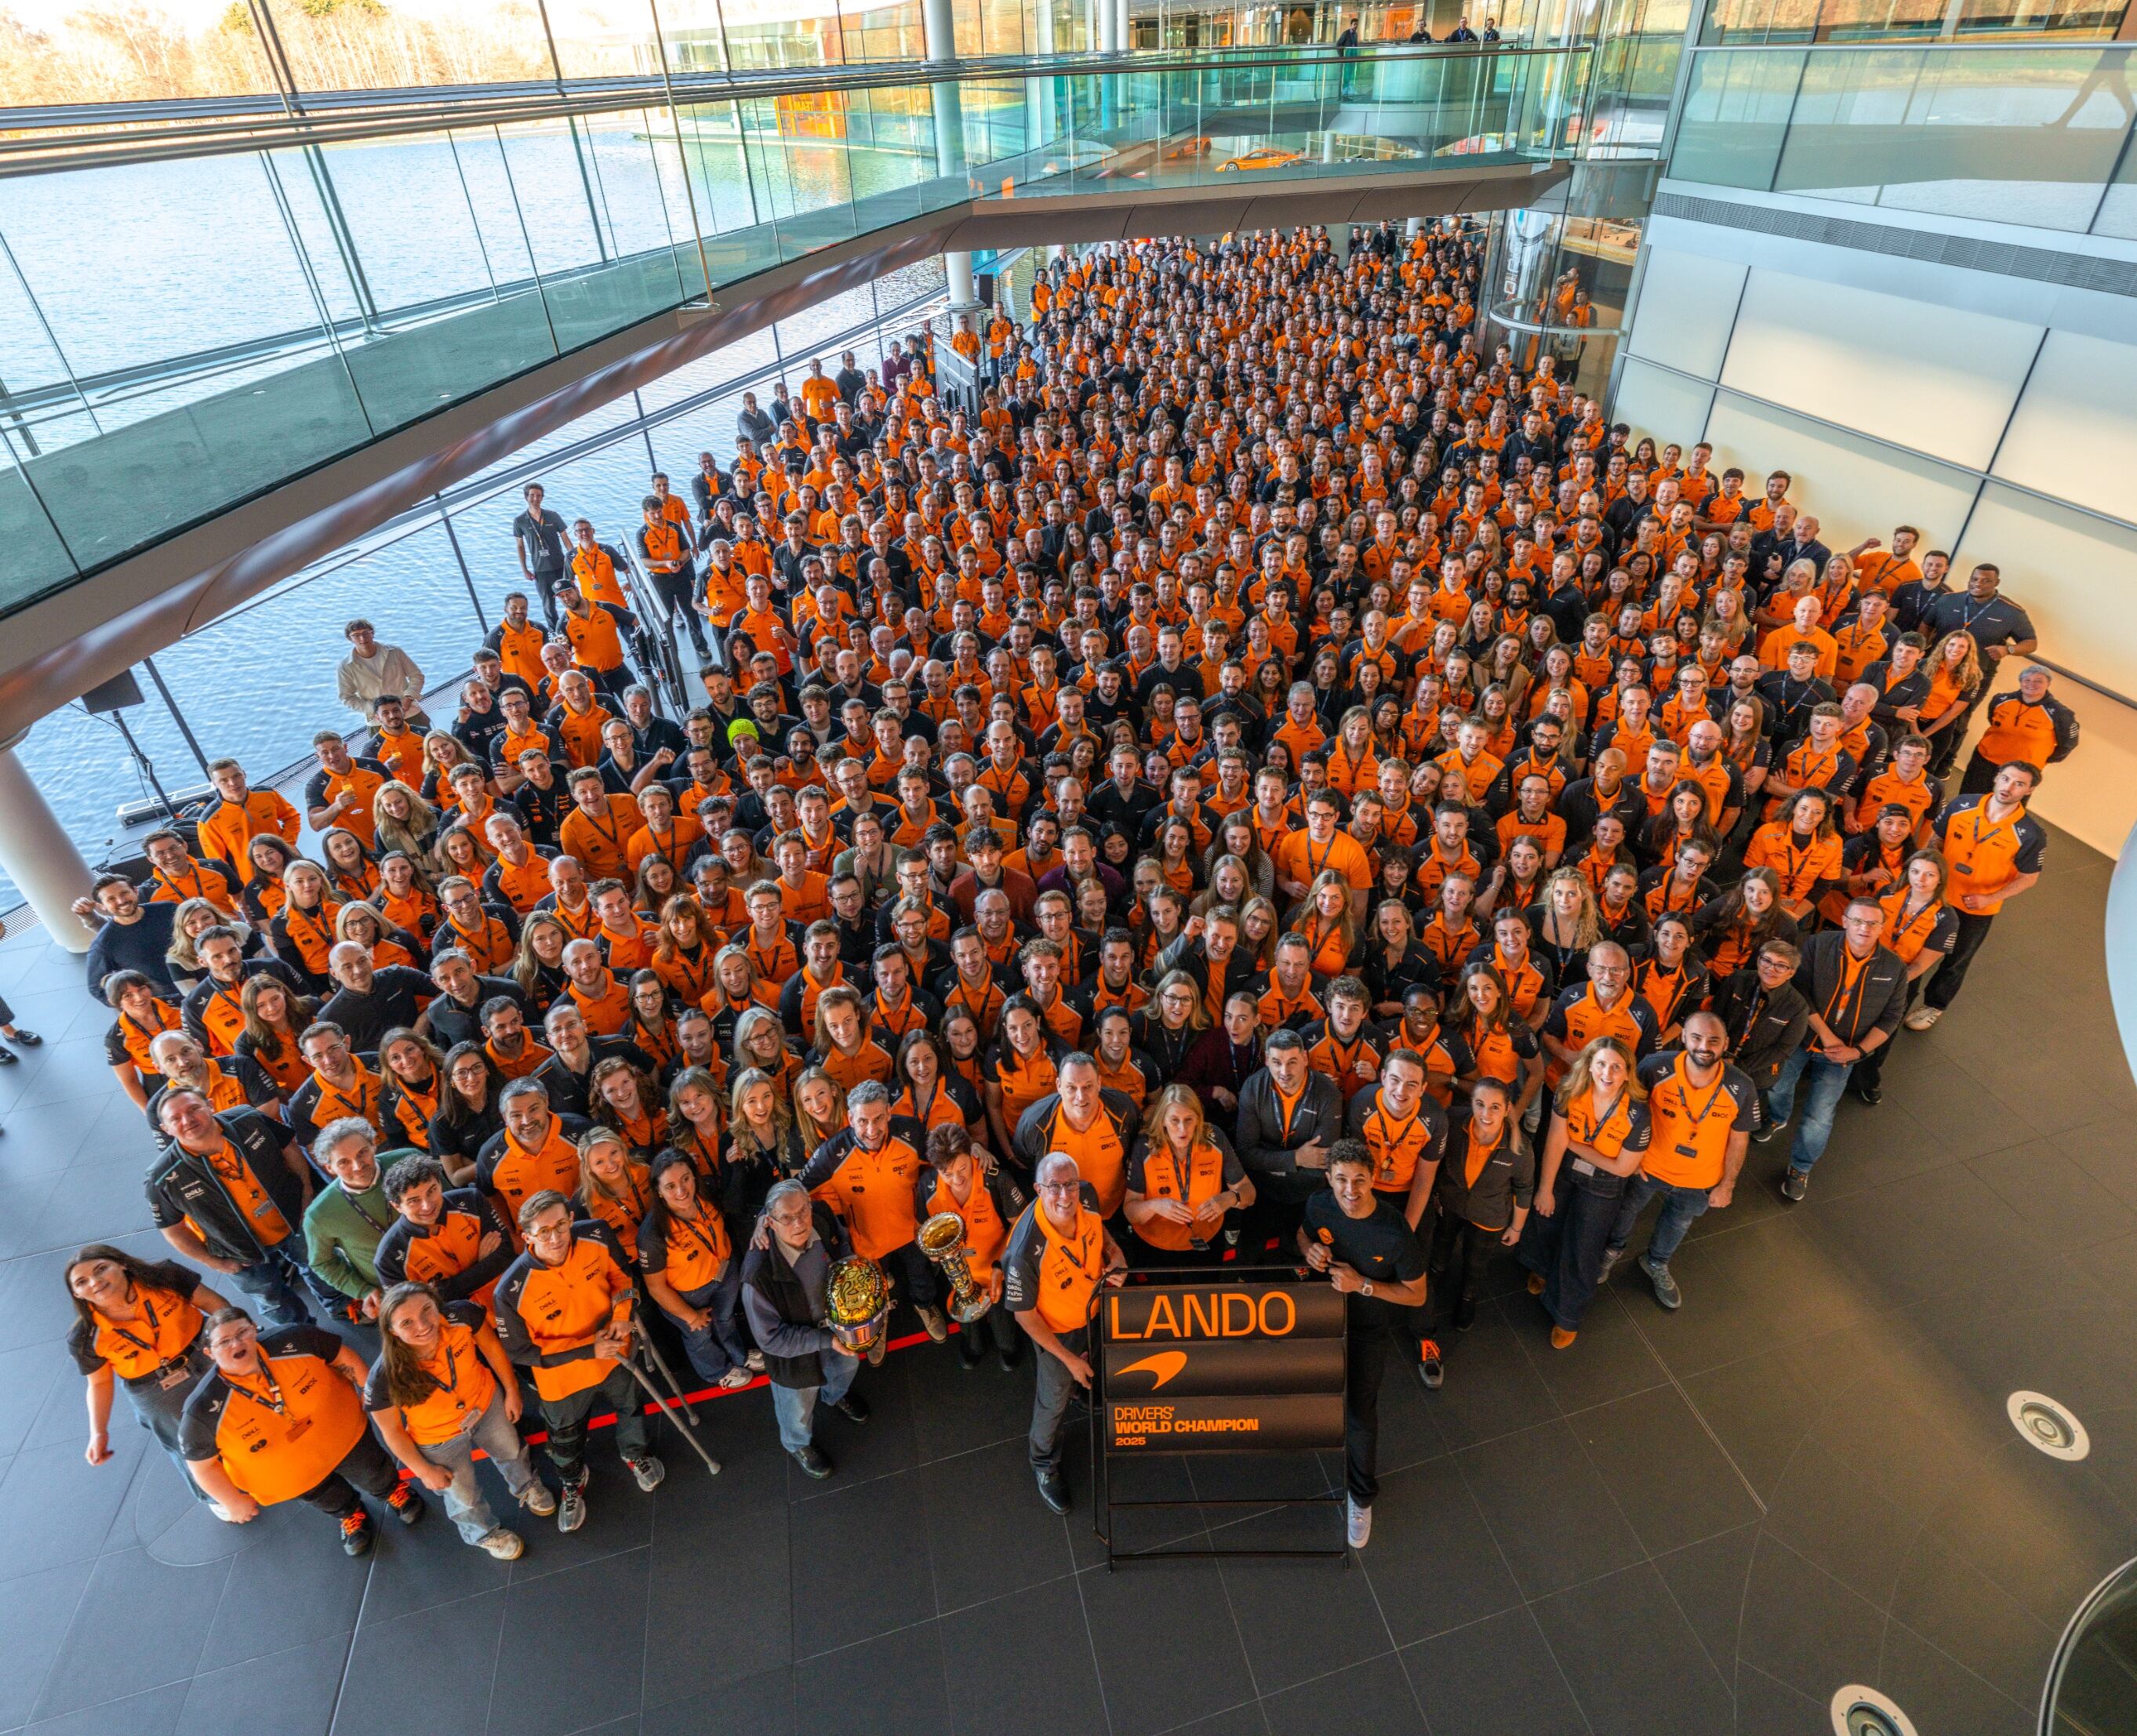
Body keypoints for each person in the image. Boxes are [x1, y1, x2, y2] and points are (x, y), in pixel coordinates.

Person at [180, 1307, 424, 1555]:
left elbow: (344, 1359)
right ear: (210, 1353)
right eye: (224, 1341)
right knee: (326, 1497)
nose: (237, 1343)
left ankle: (393, 1490)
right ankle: (350, 1514)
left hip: (345, 1436)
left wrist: (373, 1399)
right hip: (293, 1476)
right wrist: (231, 1501)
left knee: (373, 1470)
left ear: (254, 1328)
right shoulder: (202, 1409)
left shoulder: (296, 1339)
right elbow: (202, 1466)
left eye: (242, 1332)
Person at [492, 1189, 667, 1531]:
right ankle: (573, 1482)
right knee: (564, 1439)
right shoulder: (510, 1290)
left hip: (617, 1352)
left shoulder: (598, 1234)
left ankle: (634, 1454)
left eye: (561, 1224)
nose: (556, 1237)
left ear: (571, 1219)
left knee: (630, 1408)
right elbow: (519, 1351)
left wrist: (622, 1313)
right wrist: (588, 1349)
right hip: (562, 1379)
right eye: (544, 1232)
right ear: (527, 1236)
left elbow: (624, 1279)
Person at [365, 1280, 555, 1560]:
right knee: (462, 1496)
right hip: (438, 1438)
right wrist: (423, 1471)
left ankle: (527, 1486)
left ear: (436, 1304)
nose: (423, 1325)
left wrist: (512, 1391)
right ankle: (482, 1533)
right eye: (407, 1322)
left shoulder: (463, 1317)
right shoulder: (384, 1377)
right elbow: (391, 1431)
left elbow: (493, 1350)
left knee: (511, 1451)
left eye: (427, 1310)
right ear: (392, 1332)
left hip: (486, 1404)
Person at [1300, 1139, 1430, 1549]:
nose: (1350, 1191)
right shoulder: (1319, 1206)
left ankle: (1361, 1497)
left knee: (1360, 1413)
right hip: (1320, 1319)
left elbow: (1417, 1294)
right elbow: (1302, 1235)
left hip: (1367, 1330)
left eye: (1359, 1180)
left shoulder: (1394, 1232)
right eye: (1341, 1180)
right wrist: (1310, 1251)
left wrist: (1365, 1286)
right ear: (1329, 1179)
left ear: (1373, 1179)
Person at [1602, 1012, 1758, 1312]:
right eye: (1697, 1038)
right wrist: (1629, 1160)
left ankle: (1656, 1263)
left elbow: (1739, 1140)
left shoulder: (1741, 1086)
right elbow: (1628, 1111)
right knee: (1626, 1210)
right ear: (1684, 1037)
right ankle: (1611, 1251)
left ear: (1726, 1044)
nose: (1704, 1046)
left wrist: (1727, 1185)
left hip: (1700, 1179)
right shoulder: (1655, 1067)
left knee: (1678, 1222)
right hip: (1648, 1166)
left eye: (1713, 1040)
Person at [1005, 1151, 1127, 1514]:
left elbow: (1104, 1238)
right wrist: (1069, 1360)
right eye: (1054, 1187)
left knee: (1094, 1369)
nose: (1065, 1196)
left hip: (1094, 1311)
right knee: (1052, 1402)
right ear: (1038, 1189)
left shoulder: (1086, 1196)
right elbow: (1025, 1317)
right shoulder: (1025, 1250)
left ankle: (1082, 1390)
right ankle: (1044, 1464)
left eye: (1070, 1184)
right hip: (1057, 1335)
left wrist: (1117, 1259)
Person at [1766, 899, 1908, 1199]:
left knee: (1820, 1116)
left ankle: (1800, 1168)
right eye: (1857, 921)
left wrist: (1858, 1052)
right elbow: (1800, 992)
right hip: (1801, 1038)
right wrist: (1828, 1037)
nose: (1863, 929)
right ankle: (1777, 1118)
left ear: (1882, 928)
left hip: (1844, 1056)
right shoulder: (1818, 945)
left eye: (1872, 924)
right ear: (1844, 920)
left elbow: (1892, 1017)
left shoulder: (1894, 968)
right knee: (1778, 1087)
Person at [1517, 1038, 1651, 1349]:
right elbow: (1554, 1141)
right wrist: (1545, 1188)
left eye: (1617, 1067)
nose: (1608, 1072)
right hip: (1564, 1168)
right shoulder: (1568, 1089)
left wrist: (1574, 1144)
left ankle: (1567, 1316)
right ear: (1589, 1065)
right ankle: (1542, 1268)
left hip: (1604, 1182)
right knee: (1546, 1218)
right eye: (1602, 1064)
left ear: (1627, 1073)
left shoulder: (1637, 1113)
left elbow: (1621, 1168)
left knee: (1584, 1246)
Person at [148, 1088, 316, 1327]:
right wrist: (214, 1262)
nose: (188, 1120)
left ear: (209, 1105)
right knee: (272, 1301)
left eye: (194, 1109)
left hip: (294, 1219)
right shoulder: (163, 1177)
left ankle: (338, 1306)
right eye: (175, 1119)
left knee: (318, 1266)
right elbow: (172, 1230)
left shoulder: (248, 1118)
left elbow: (288, 1146)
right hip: (240, 1254)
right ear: (166, 1129)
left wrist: (307, 1192)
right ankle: (303, 1334)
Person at [67, 1246, 229, 1491]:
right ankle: (215, 1495)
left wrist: (237, 1340)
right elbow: (99, 1383)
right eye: (82, 1282)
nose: (95, 1282)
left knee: (244, 1405)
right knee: (188, 1444)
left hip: (207, 1352)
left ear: (121, 1264)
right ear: (77, 1294)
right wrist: (98, 1433)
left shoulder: (164, 1276)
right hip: (156, 1390)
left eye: (101, 1269)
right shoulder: (84, 1337)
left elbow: (213, 1304)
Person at [740, 1178, 870, 1479]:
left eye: (803, 1211)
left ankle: (835, 1396)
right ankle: (797, 1443)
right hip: (796, 1353)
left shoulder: (821, 1217)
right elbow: (771, 1340)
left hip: (838, 1328)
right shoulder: (757, 1275)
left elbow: (842, 1245)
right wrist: (824, 1340)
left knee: (845, 1369)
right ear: (770, 1223)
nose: (798, 1222)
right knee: (796, 1406)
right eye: (787, 1218)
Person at [1909, 761, 2046, 1028]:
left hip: (1977, 909)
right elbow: (1936, 839)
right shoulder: (1962, 804)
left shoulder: (2030, 835)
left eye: (2019, 784)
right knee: (1912, 944)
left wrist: (1989, 898)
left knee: (1956, 959)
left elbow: (2029, 878)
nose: (2009, 787)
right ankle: (1899, 993)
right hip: (1935, 896)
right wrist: (1925, 875)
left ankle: (1934, 1006)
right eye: (2006, 779)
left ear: (2029, 791)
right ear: (1996, 778)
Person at [337, 619, 428, 725]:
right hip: (378, 721)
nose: (362, 638)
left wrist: (408, 698)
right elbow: (347, 697)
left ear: (372, 634)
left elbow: (416, 676)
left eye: (366, 633)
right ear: (350, 638)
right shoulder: (346, 667)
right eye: (356, 635)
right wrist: (374, 709)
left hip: (410, 712)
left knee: (424, 740)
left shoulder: (395, 652)